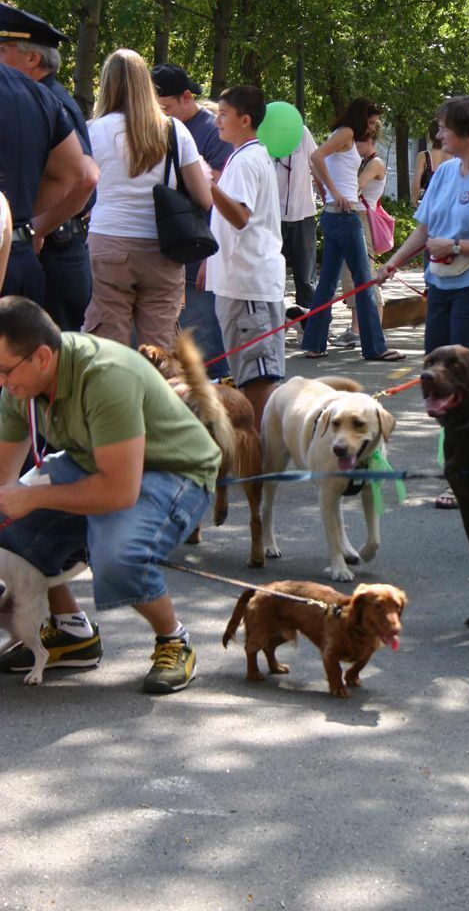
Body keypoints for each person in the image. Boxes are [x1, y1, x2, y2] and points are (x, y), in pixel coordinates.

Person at [0, 296, 221, 693]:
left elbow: (118, 491)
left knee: (116, 555)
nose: (1, 381)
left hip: (174, 471)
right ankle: (71, 633)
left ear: (43, 358)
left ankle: (174, 639)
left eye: (4, 370)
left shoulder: (104, 375)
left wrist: (33, 498)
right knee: (5, 524)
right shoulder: (20, 386)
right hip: (97, 464)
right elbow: (2, 480)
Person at [376, 95, 469, 508]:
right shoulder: (444, 173)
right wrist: (392, 264)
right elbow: (425, 229)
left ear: (468, 131)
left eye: (444, 127)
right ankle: (458, 465)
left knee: (466, 384)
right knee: (439, 381)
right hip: (440, 286)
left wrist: (458, 246)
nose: (438, 133)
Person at [83, 49, 211, 350]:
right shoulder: (173, 130)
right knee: (160, 350)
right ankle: (157, 397)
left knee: (108, 348)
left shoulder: (92, 131)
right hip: (163, 247)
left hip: (108, 243)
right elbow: (204, 198)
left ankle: (114, 397)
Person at [0, 3, 96, 330]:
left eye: (2, 49)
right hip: (42, 252)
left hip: (55, 251)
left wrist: (35, 225)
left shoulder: (49, 99)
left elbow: (86, 178)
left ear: (32, 58)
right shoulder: (43, 96)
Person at [201, 85, 286, 430]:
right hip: (240, 281)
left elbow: (239, 216)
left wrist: (208, 185)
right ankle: (255, 448)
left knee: (256, 373)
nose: (217, 120)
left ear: (245, 119)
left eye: (223, 114)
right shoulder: (243, 156)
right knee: (246, 369)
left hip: (249, 284)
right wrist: (211, 259)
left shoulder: (248, 159)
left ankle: (257, 449)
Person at [301, 98, 404, 362]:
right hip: (345, 216)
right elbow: (315, 157)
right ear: (360, 118)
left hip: (334, 214)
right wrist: (334, 192)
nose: (372, 128)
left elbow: (316, 164)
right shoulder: (346, 133)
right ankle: (375, 347)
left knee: (326, 284)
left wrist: (328, 193)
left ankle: (314, 344)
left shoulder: (340, 134)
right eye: (369, 122)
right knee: (364, 282)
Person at [152, 63, 233, 380]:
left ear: (187, 97)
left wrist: (210, 259)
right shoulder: (163, 128)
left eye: (166, 107)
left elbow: (224, 198)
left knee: (206, 344)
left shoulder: (213, 132)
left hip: (200, 252)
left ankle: (221, 405)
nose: (161, 115)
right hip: (173, 250)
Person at [333, 133, 387, 349]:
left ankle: (372, 327)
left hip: (363, 218)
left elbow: (356, 186)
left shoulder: (375, 163)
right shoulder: (364, 161)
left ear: (371, 140)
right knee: (350, 275)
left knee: (366, 274)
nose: (354, 146)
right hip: (355, 216)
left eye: (359, 142)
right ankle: (356, 328)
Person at [274, 122, 319, 314]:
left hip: (303, 213)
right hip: (273, 215)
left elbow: (315, 163)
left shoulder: (302, 132)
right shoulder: (263, 137)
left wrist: (328, 195)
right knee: (273, 275)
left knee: (305, 277)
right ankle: (275, 323)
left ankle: (310, 326)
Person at [411, 119, 447, 207]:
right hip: (448, 205)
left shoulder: (424, 156)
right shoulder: (454, 156)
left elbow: (416, 184)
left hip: (429, 205)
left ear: (429, 135)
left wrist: (415, 203)